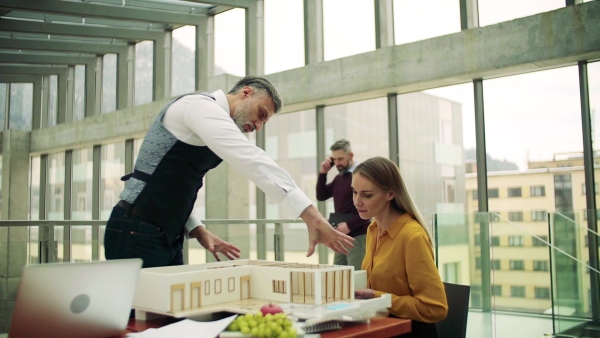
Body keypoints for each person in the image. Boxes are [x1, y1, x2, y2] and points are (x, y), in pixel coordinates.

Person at [104, 76, 354, 268]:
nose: (257, 126)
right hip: (136, 229)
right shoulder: (199, 107)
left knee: (164, 320)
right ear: (246, 93)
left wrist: (196, 228)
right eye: (260, 115)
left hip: (163, 232)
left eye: (263, 123)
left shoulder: (211, 121)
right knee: (140, 323)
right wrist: (312, 216)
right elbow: (251, 159)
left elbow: (174, 183)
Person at [352, 157, 447, 338]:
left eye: (367, 195)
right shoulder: (373, 229)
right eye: (354, 192)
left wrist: (377, 297)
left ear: (390, 194)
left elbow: (435, 308)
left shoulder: (412, 236)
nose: (357, 201)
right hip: (381, 328)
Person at [316, 139, 370, 270]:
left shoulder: (362, 176)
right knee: (339, 276)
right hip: (341, 235)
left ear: (350, 155)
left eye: (340, 159)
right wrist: (323, 173)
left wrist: (348, 225)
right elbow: (321, 195)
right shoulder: (340, 178)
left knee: (356, 278)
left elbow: (369, 209)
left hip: (358, 236)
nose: (337, 163)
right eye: (334, 159)